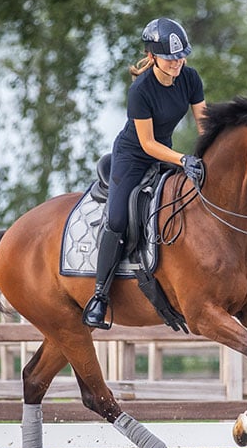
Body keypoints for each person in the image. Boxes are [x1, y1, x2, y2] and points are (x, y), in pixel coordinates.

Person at [82, 17, 207, 329]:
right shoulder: (140, 90)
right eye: (170, 57)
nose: (178, 62)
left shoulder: (190, 79)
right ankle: (99, 296)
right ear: (153, 57)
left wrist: (207, 156)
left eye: (181, 55)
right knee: (117, 220)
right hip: (133, 157)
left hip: (165, 151)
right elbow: (148, 143)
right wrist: (182, 159)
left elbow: (205, 125)